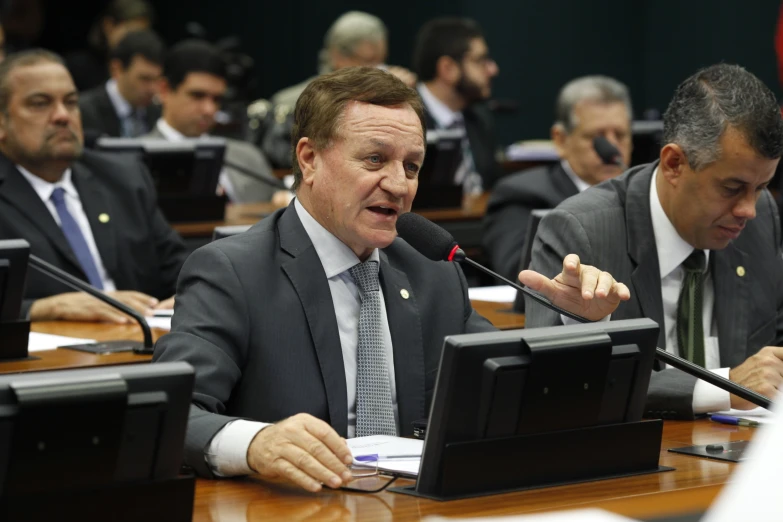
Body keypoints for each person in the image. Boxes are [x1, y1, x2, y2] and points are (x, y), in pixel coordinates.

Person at [152, 67, 494, 491]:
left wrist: (573, 321)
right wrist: (256, 443)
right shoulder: (232, 273)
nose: (398, 185)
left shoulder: (434, 272)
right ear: (309, 159)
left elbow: (503, 385)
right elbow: (174, 412)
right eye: (375, 159)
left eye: (411, 166)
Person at [521, 64, 783, 419]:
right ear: (674, 163)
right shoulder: (581, 230)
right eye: (732, 188)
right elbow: (553, 384)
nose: (748, 209)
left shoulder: (761, 218)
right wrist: (723, 386)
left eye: (762, 187)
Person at [0, 50, 187, 321]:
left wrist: (187, 295)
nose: (62, 116)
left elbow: (181, 266)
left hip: (144, 344)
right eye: (40, 104)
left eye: (71, 102)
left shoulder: (123, 178)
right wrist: (45, 309)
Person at [483, 76, 632, 281]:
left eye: (621, 135)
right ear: (560, 140)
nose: (612, 148)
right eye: (597, 138)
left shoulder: (641, 195)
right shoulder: (522, 195)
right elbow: (520, 275)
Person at [259, 11, 416, 168]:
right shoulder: (291, 102)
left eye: (381, 61)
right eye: (369, 61)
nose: (380, 70)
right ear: (338, 56)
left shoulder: (386, 92)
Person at [145, 39, 280, 203]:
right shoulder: (137, 161)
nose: (209, 109)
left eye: (216, 99)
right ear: (164, 90)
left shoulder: (248, 157)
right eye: (197, 95)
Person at [411, 17, 501, 192]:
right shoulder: (405, 116)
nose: (492, 69)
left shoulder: (480, 119)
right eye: (480, 60)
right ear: (447, 68)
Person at [79, 29, 164, 138]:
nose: (153, 89)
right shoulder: (84, 111)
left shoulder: (159, 112)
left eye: (157, 79)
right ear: (117, 70)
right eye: (145, 79)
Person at [65, 0, 155, 91]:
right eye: (131, 33)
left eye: (142, 35)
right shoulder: (78, 67)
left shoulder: (146, 70)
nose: (137, 41)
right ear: (108, 25)